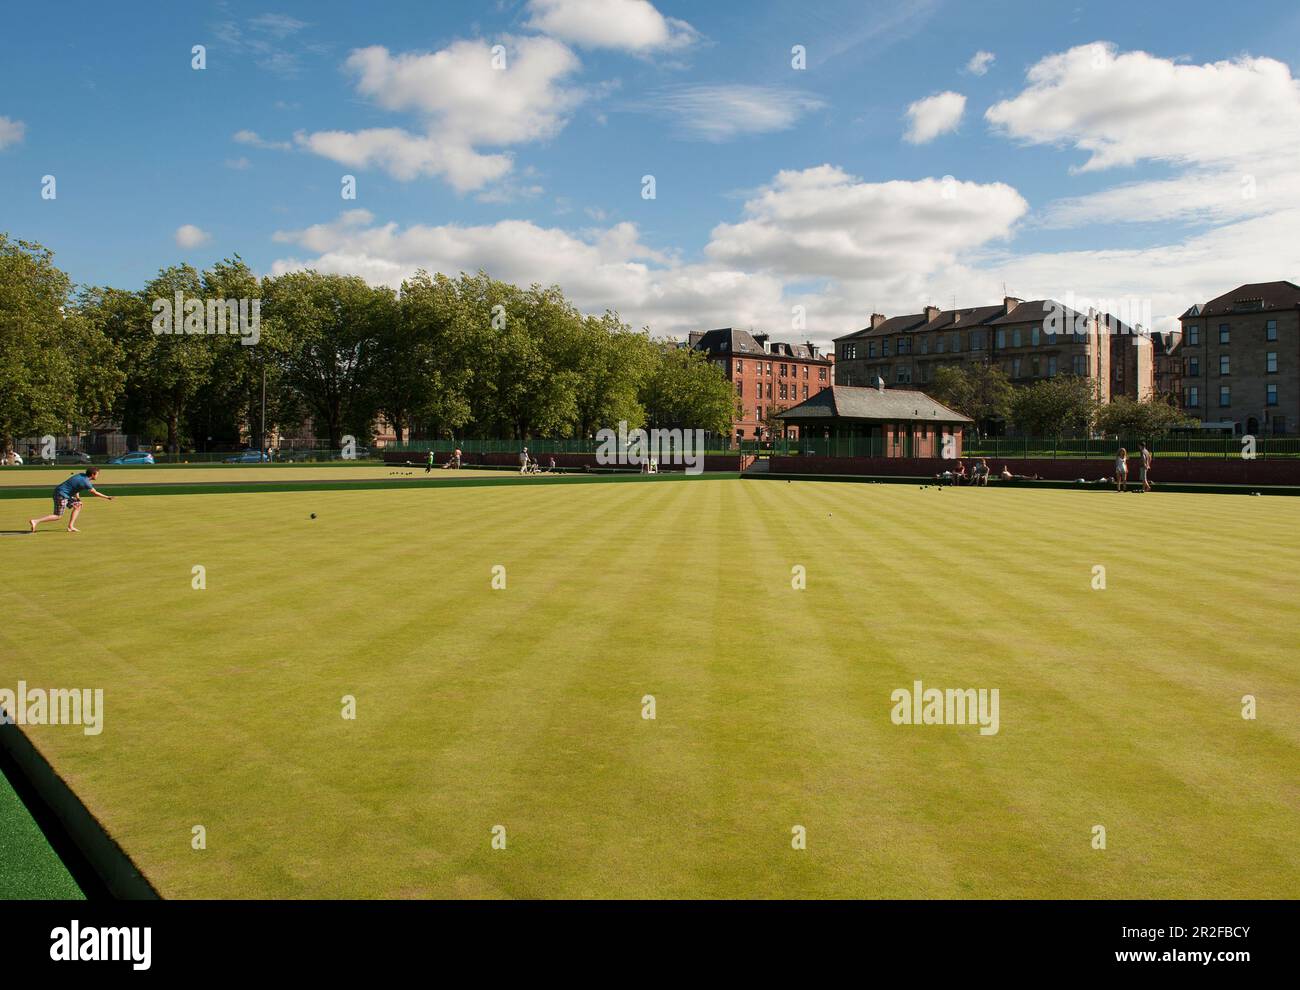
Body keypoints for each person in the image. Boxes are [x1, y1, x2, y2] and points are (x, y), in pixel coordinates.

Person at [29, 467, 114, 534]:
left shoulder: (81, 475)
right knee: (57, 516)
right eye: (97, 474)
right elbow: (95, 493)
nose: (98, 476)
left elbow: (76, 489)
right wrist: (107, 497)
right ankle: (35, 521)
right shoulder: (86, 482)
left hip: (63, 493)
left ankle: (70, 526)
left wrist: (78, 499)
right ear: (92, 474)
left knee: (78, 505)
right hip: (61, 495)